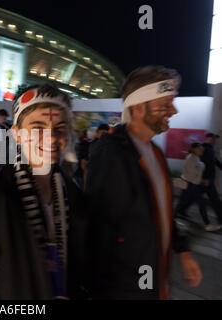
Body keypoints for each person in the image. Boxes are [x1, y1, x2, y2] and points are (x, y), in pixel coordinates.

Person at [0, 84, 87, 299]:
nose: (52, 138)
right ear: (17, 134)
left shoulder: (73, 194)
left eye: (60, 128)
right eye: (38, 128)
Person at [86, 66, 202, 300]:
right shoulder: (111, 153)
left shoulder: (156, 154)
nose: (174, 110)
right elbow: (97, 230)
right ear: (138, 107)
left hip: (154, 280)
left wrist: (183, 249)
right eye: (165, 104)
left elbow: (162, 211)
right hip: (126, 289)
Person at [175, 143, 220, 231]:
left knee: (182, 203)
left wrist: (201, 180)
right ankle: (207, 224)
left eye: (202, 149)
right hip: (191, 185)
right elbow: (192, 176)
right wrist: (202, 181)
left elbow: (196, 174)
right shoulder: (190, 159)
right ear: (194, 149)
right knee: (201, 204)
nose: (202, 151)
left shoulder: (196, 157)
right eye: (200, 149)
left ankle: (173, 217)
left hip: (192, 185)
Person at [200, 133, 222, 224]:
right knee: (215, 200)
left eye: (215, 139)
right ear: (207, 138)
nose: (214, 140)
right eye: (213, 138)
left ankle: (180, 211)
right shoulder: (203, 148)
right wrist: (205, 178)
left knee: (189, 197)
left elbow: (215, 161)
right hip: (205, 180)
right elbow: (202, 164)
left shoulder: (210, 149)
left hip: (207, 179)